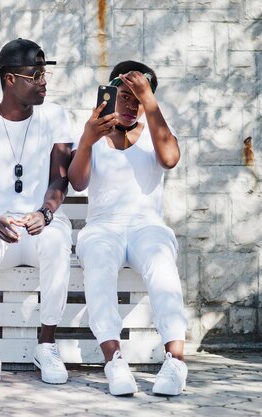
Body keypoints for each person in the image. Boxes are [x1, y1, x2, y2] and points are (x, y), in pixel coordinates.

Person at [68, 60, 188, 396]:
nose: (130, 104)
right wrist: (88, 139)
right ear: (109, 95)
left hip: (147, 226)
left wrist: (150, 102)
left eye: (137, 97)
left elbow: (169, 159)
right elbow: (77, 182)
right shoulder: (94, 130)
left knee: (162, 265)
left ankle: (176, 361)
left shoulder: (156, 128)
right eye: (124, 95)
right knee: (99, 264)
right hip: (103, 226)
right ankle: (114, 360)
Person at [0, 38, 74, 390]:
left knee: (57, 243)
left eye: (45, 74)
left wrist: (47, 212)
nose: (44, 81)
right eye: (35, 74)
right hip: (1, 225)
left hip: (43, 222)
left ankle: (46, 345)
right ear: (10, 79)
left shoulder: (56, 116)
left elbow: (60, 177)